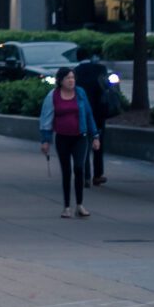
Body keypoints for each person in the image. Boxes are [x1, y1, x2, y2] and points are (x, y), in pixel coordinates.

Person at [39, 65, 98, 217]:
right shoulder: (53, 96)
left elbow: (89, 114)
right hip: (62, 138)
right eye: (68, 78)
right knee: (66, 171)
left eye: (73, 78)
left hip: (80, 136)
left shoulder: (80, 93)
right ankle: (66, 207)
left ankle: (80, 204)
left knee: (79, 168)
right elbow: (46, 118)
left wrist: (95, 136)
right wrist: (45, 140)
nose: (71, 81)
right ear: (60, 80)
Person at [73, 48, 116, 187]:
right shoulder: (100, 68)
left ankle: (86, 176)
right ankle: (98, 175)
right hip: (99, 112)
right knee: (98, 143)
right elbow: (108, 86)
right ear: (91, 56)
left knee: (83, 143)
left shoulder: (75, 72)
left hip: (82, 112)